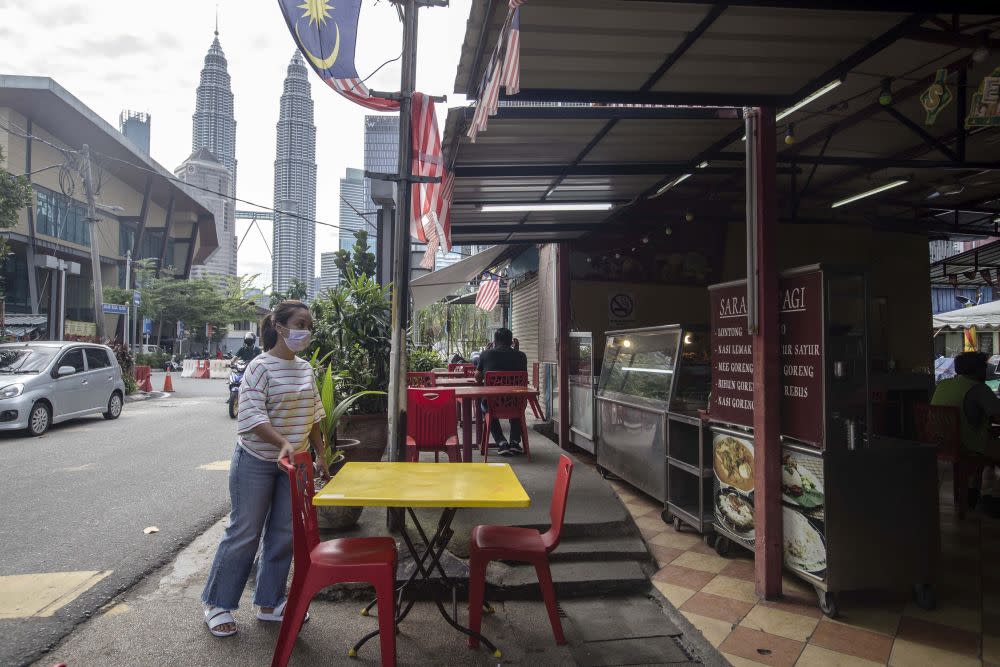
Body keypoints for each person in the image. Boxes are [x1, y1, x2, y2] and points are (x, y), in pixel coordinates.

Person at [201, 300, 329, 638]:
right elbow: (251, 416)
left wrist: (321, 454)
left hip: (295, 464)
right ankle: (218, 603)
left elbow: (315, 414)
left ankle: (270, 602)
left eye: (309, 325)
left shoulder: (304, 368)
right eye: (301, 323)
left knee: (284, 534)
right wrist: (282, 443)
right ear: (281, 327)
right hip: (256, 461)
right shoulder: (259, 367)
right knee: (244, 531)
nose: (307, 330)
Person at [931, 351, 1000, 508]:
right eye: (985, 366)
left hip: (942, 443)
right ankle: (992, 497)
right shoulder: (979, 389)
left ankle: (973, 492)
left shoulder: (944, 384)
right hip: (969, 446)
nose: (987, 369)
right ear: (977, 369)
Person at [475, 327, 528, 457]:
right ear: (511, 341)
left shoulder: (486, 354)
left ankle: (501, 442)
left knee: (485, 405)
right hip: (516, 403)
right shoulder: (521, 356)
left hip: (493, 403)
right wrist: (516, 350)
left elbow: (478, 377)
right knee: (516, 399)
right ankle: (515, 442)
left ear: (494, 341)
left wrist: (486, 352)